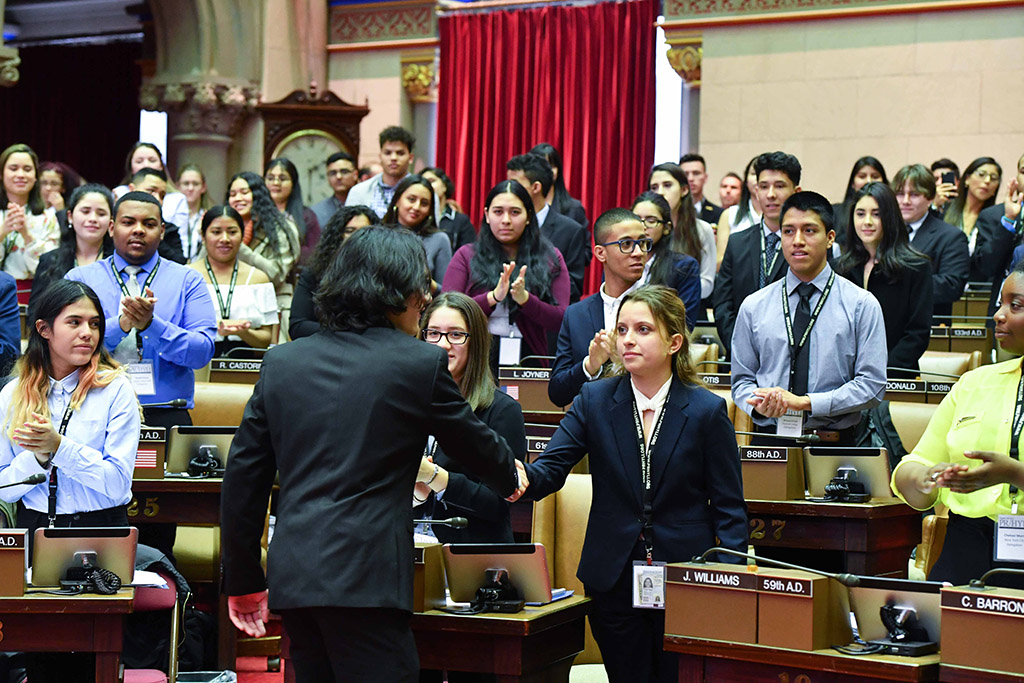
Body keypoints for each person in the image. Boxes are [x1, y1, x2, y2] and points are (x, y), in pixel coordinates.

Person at [220, 226, 520, 683]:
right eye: (420, 286)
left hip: (295, 576)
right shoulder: (418, 363)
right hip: (369, 579)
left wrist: (243, 579)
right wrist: (510, 475)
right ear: (397, 291)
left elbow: (244, 478)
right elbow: (476, 445)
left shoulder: (282, 362)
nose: (425, 298)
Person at [519, 285, 747, 683]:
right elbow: (548, 471)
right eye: (621, 329)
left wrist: (725, 579)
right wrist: (511, 475)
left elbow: (730, 508)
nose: (627, 339)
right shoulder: (593, 399)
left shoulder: (707, 411)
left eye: (643, 329)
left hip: (686, 574)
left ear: (674, 342)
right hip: (613, 574)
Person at [0, 279, 141, 683]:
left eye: (94, 324)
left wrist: (60, 447)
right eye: (74, 322)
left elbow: (117, 485)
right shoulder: (13, 394)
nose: (87, 333)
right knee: (44, 658)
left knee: (94, 660)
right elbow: (3, 486)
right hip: (37, 530)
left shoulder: (115, 390)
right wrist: (38, 458)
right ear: (44, 329)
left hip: (101, 531)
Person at [891, 259, 1024, 587]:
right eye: (1000, 304)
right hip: (965, 545)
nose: (998, 315)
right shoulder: (974, 383)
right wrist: (926, 478)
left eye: (1016, 305)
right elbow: (913, 465)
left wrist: (1013, 474)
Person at [731, 191, 887, 446]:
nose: (797, 241)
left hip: (835, 443)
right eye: (788, 231)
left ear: (830, 238)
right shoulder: (754, 306)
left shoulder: (861, 305)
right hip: (770, 441)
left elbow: (872, 386)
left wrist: (806, 403)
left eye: (809, 231)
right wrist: (759, 405)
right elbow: (741, 381)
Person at [65, 191, 216, 424]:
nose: (138, 230)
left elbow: (201, 353)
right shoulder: (80, 279)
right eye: (128, 222)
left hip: (165, 411)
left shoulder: (188, 280)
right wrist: (121, 324)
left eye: (149, 224)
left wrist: (151, 326)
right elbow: (66, 348)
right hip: (92, 408)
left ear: (162, 231)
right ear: (112, 228)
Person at [414, 292, 527, 543]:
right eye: (433, 333)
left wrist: (437, 477)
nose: (443, 344)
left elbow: (500, 503)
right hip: (407, 547)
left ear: (475, 343)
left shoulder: (502, 410)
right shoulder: (405, 402)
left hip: (472, 552)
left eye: (455, 335)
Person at [442, 180, 570, 368]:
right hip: (475, 354)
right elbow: (447, 312)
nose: (506, 220)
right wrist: (493, 297)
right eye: (498, 212)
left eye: (515, 212)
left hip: (530, 357)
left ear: (528, 216)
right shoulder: (466, 255)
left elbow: (561, 319)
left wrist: (525, 300)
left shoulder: (550, 257)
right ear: (487, 215)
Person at [549, 208, 653, 406]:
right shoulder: (576, 315)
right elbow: (557, 393)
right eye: (626, 244)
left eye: (642, 243)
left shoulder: (661, 306)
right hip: (592, 419)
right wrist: (590, 365)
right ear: (600, 253)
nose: (638, 253)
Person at [835, 182, 933, 377]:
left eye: (876, 214)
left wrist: (878, 373)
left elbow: (917, 334)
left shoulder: (916, 267)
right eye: (860, 214)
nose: (867, 222)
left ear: (890, 217)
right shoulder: (838, 268)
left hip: (895, 376)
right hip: (844, 377)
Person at [713, 151, 800, 353]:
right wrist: (740, 347)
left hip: (792, 354)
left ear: (796, 192)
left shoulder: (805, 245)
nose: (771, 194)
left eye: (779, 186)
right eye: (764, 186)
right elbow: (723, 303)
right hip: (741, 354)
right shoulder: (737, 243)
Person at [189, 206, 278, 356]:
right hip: (197, 360)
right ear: (203, 236)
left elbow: (267, 339)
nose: (225, 239)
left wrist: (243, 332)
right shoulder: (187, 276)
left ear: (242, 236)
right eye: (216, 232)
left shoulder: (258, 278)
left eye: (232, 232)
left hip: (245, 361)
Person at [891, 164, 969, 323]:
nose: (905, 201)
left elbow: (952, 286)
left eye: (914, 194)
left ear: (930, 197)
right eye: (899, 194)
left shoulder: (950, 236)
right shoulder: (884, 232)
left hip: (928, 325)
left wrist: (897, 285)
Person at [507, 153, 589, 303]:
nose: (508, 190)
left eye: (515, 184)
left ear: (536, 187)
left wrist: (526, 294)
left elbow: (573, 287)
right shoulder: (503, 225)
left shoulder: (570, 231)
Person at [29, 184, 115, 325]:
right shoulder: (50, 260)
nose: (93, 218)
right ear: (70, 216)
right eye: (85, 211)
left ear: (111, 221)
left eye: (101, 214)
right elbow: (35, 314)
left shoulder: (118, 261)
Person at [289, 205, 377, 340]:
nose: (357, 237)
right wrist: (343, 334)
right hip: (326, 345)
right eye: (350, 231)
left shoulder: (383, 275)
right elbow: (297, 326)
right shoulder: (314, 273)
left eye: (364, 232)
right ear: (338, 235)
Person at [225, 172, 301, 325]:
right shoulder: (222, 231)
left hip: (273, 309)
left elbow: (276, 274)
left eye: (244, 192)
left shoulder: (280, 228)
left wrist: (238, 246)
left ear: (258, 195)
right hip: (232, 309)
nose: (238, 198)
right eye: (233, 194)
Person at [630, 192, 702, 329]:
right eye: (636, 219)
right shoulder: (617, 262)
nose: (643, 226)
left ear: (666, 228)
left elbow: (684, 324)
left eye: (651, 220)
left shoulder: (684, 267)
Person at [649, 162, 716, 300]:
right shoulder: (645, 228)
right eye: (654, 187)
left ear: (684, 190)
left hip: (688, 305)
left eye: (667, 185)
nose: (660, 192)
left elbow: (707, 284)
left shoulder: (701, 229)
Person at [0, 143, 60, 288]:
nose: (20, 175)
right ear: (1, 174)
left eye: (27, 169)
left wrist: (26, 235)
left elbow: (51, 268)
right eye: (13, 168)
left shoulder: (48, 217)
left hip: (33, 294)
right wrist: (2, 232)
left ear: (35, 177)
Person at [382, 174, 452, 287]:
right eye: (411, 199)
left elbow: (447, 291)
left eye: (424, 203)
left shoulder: (439, 239)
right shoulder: (378, 235)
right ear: (397, 200)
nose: (416, 207)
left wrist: (427, 283)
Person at [977, 153, 1024, 313]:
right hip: (1005, 312)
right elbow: (986, 268)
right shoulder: (994, 216)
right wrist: (1008, 221)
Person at [113, 142, 189, 231]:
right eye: (139, 161)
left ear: (161, 166)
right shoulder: (119, 193)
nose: (146, 165)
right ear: (131, 167)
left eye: (152, 160)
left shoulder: (178, 199)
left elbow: (180, 235)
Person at [345, 125, 416, 217]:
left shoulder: (424, 191)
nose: (393, 158)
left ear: (410, 158)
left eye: (400, 153)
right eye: (388, 153)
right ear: (380, 156)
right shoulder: (359, 192)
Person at [264, 157, 321, 263]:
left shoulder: (307, 216)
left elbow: (315, 252)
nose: (276, 183)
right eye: (270, 178)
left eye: (282, 179)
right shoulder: (256, 214)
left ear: (293, 184)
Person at [127, 167, 187, 264]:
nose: (158, 199)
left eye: (162, 195)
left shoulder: (169, 230)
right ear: (132, 189)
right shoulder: (118, 225)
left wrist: (154, 233)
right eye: (151, 191)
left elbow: (179, 263)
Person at [943, 156, 1002, 254]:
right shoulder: (945, 209)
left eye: (993, 178)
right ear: (967, 179)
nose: (987, 181)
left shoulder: (996, 220)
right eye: (981, 174)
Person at [529, 142, 589, 230]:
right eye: (542, 167)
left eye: (552, 166)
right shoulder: (521, 207)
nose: (548, 171)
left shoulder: (574, 209)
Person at [833, 156, 887, 247]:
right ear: (853, 183)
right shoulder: (835, 212)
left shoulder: (891, 211)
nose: (869, 181)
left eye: (875, 176)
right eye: (862, 176)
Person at [422, 166, 476, 253]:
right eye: (424, 183)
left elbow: (468, 253)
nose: (428, 186)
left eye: (431, 181)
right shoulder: (418, 217)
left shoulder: (460, 220)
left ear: (444, 186)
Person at [311, 151, 358, 228]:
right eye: (333, 173)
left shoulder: (368, 203)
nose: (338, 177)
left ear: (355, 175)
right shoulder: (316, 213)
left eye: (344, 172)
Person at [177, 164, 210, 262]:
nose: (190, 188)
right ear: (178, 186)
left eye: (195, 184)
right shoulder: (170, 217)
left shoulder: (209, 217)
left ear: (203, 187)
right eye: (186, 183)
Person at [680, 153, 723, 225]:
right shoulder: (671, 213)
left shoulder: (719, 214)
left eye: (696, 173)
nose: (690, 178)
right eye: (685, 174)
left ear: (705, 178)